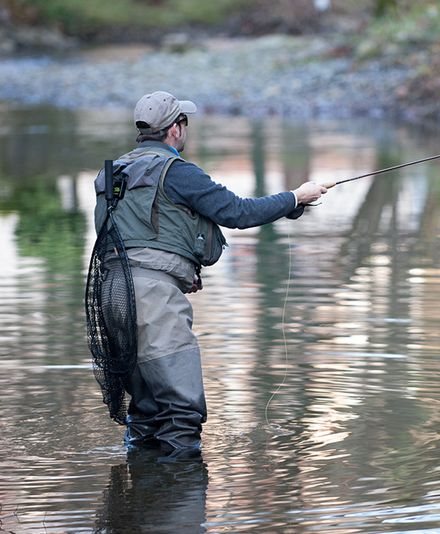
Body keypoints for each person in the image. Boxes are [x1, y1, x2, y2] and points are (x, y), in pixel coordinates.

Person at [94, 91, 326, 457]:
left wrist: (181, 267)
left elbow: (138, 234)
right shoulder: (178, 172)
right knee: (180, 411)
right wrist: (296, 197)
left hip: (113, 295)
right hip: (153, 298)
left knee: (146, 413)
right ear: (175, 128)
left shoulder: (114, 172)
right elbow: (237, 212)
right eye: (184, 122)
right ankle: (182, 498)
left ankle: (140, 498)